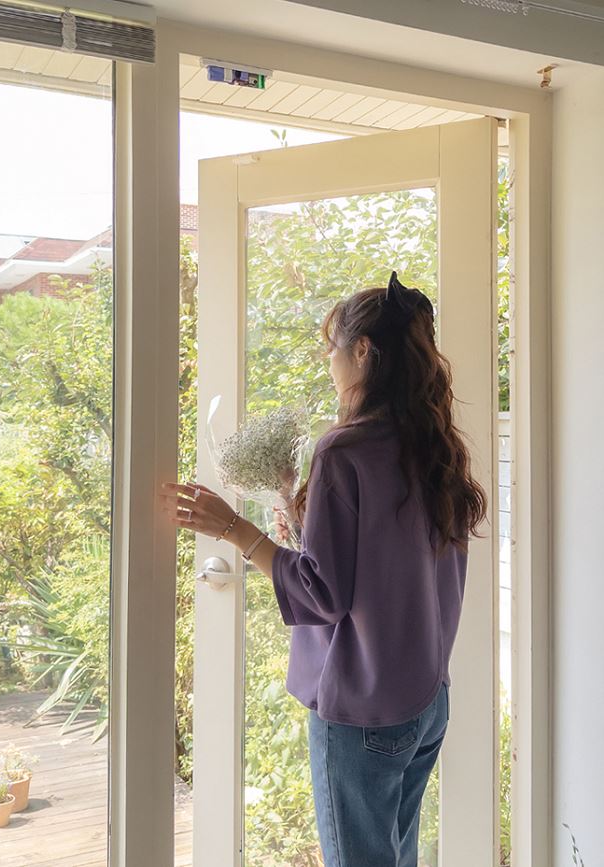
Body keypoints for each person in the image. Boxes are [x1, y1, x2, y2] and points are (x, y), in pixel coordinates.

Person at [159, 271, 487, 867]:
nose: (327, 361)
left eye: (331, 347)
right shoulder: (432, 444)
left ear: (363, 352)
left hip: (366, 709)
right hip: (425, 697)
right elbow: (390, 562)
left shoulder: (344, 449)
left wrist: (232, 528)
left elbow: (322, 594)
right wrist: (301, 521)